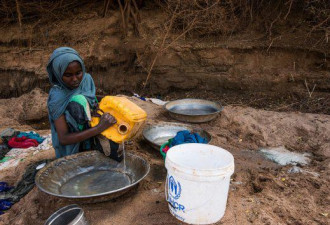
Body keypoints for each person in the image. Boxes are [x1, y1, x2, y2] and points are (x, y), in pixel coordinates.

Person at [47, 47, 116, 158]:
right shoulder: (57, 97)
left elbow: (93, 103)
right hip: (73, 148)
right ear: (58, 74)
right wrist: (99, 128)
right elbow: (64, 138)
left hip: (93, 136)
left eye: (78, 73)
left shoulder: (86, 79)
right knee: (77, 102)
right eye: (68, 75)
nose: (75, 79)